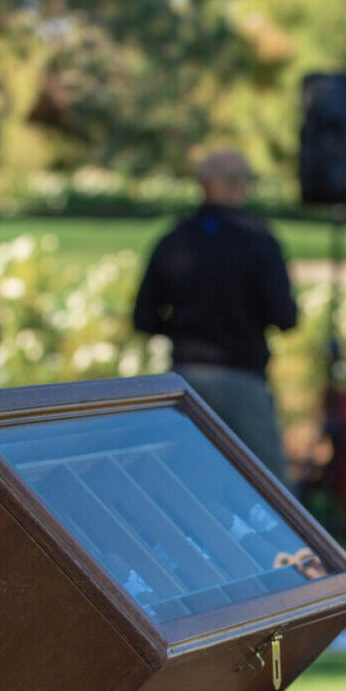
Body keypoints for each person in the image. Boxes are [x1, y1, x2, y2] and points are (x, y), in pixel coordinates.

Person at [133, 148, 297, 481]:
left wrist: (182, 326)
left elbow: (143, 317)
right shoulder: (259, 240)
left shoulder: (176, 238)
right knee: (271, 489)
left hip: (186, 379)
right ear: (241, 186)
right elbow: (285, 316)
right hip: (243, 376)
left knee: (184, 481)